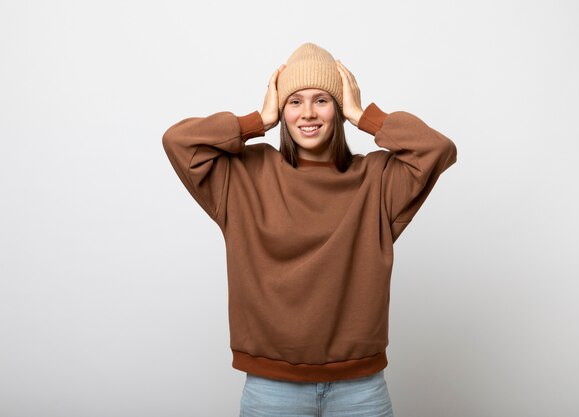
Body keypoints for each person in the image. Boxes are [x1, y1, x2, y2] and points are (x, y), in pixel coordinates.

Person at [162, 43, 457, 417]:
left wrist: (363, 115)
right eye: (295, 102)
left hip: (360, 389)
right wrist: (258, 120)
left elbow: (437, 148)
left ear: (338, 109)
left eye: (322, 100)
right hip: (271, 390)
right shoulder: (243, 177)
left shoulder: (377, 180)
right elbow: (178, 141)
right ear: (282, 111)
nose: (308, 114)